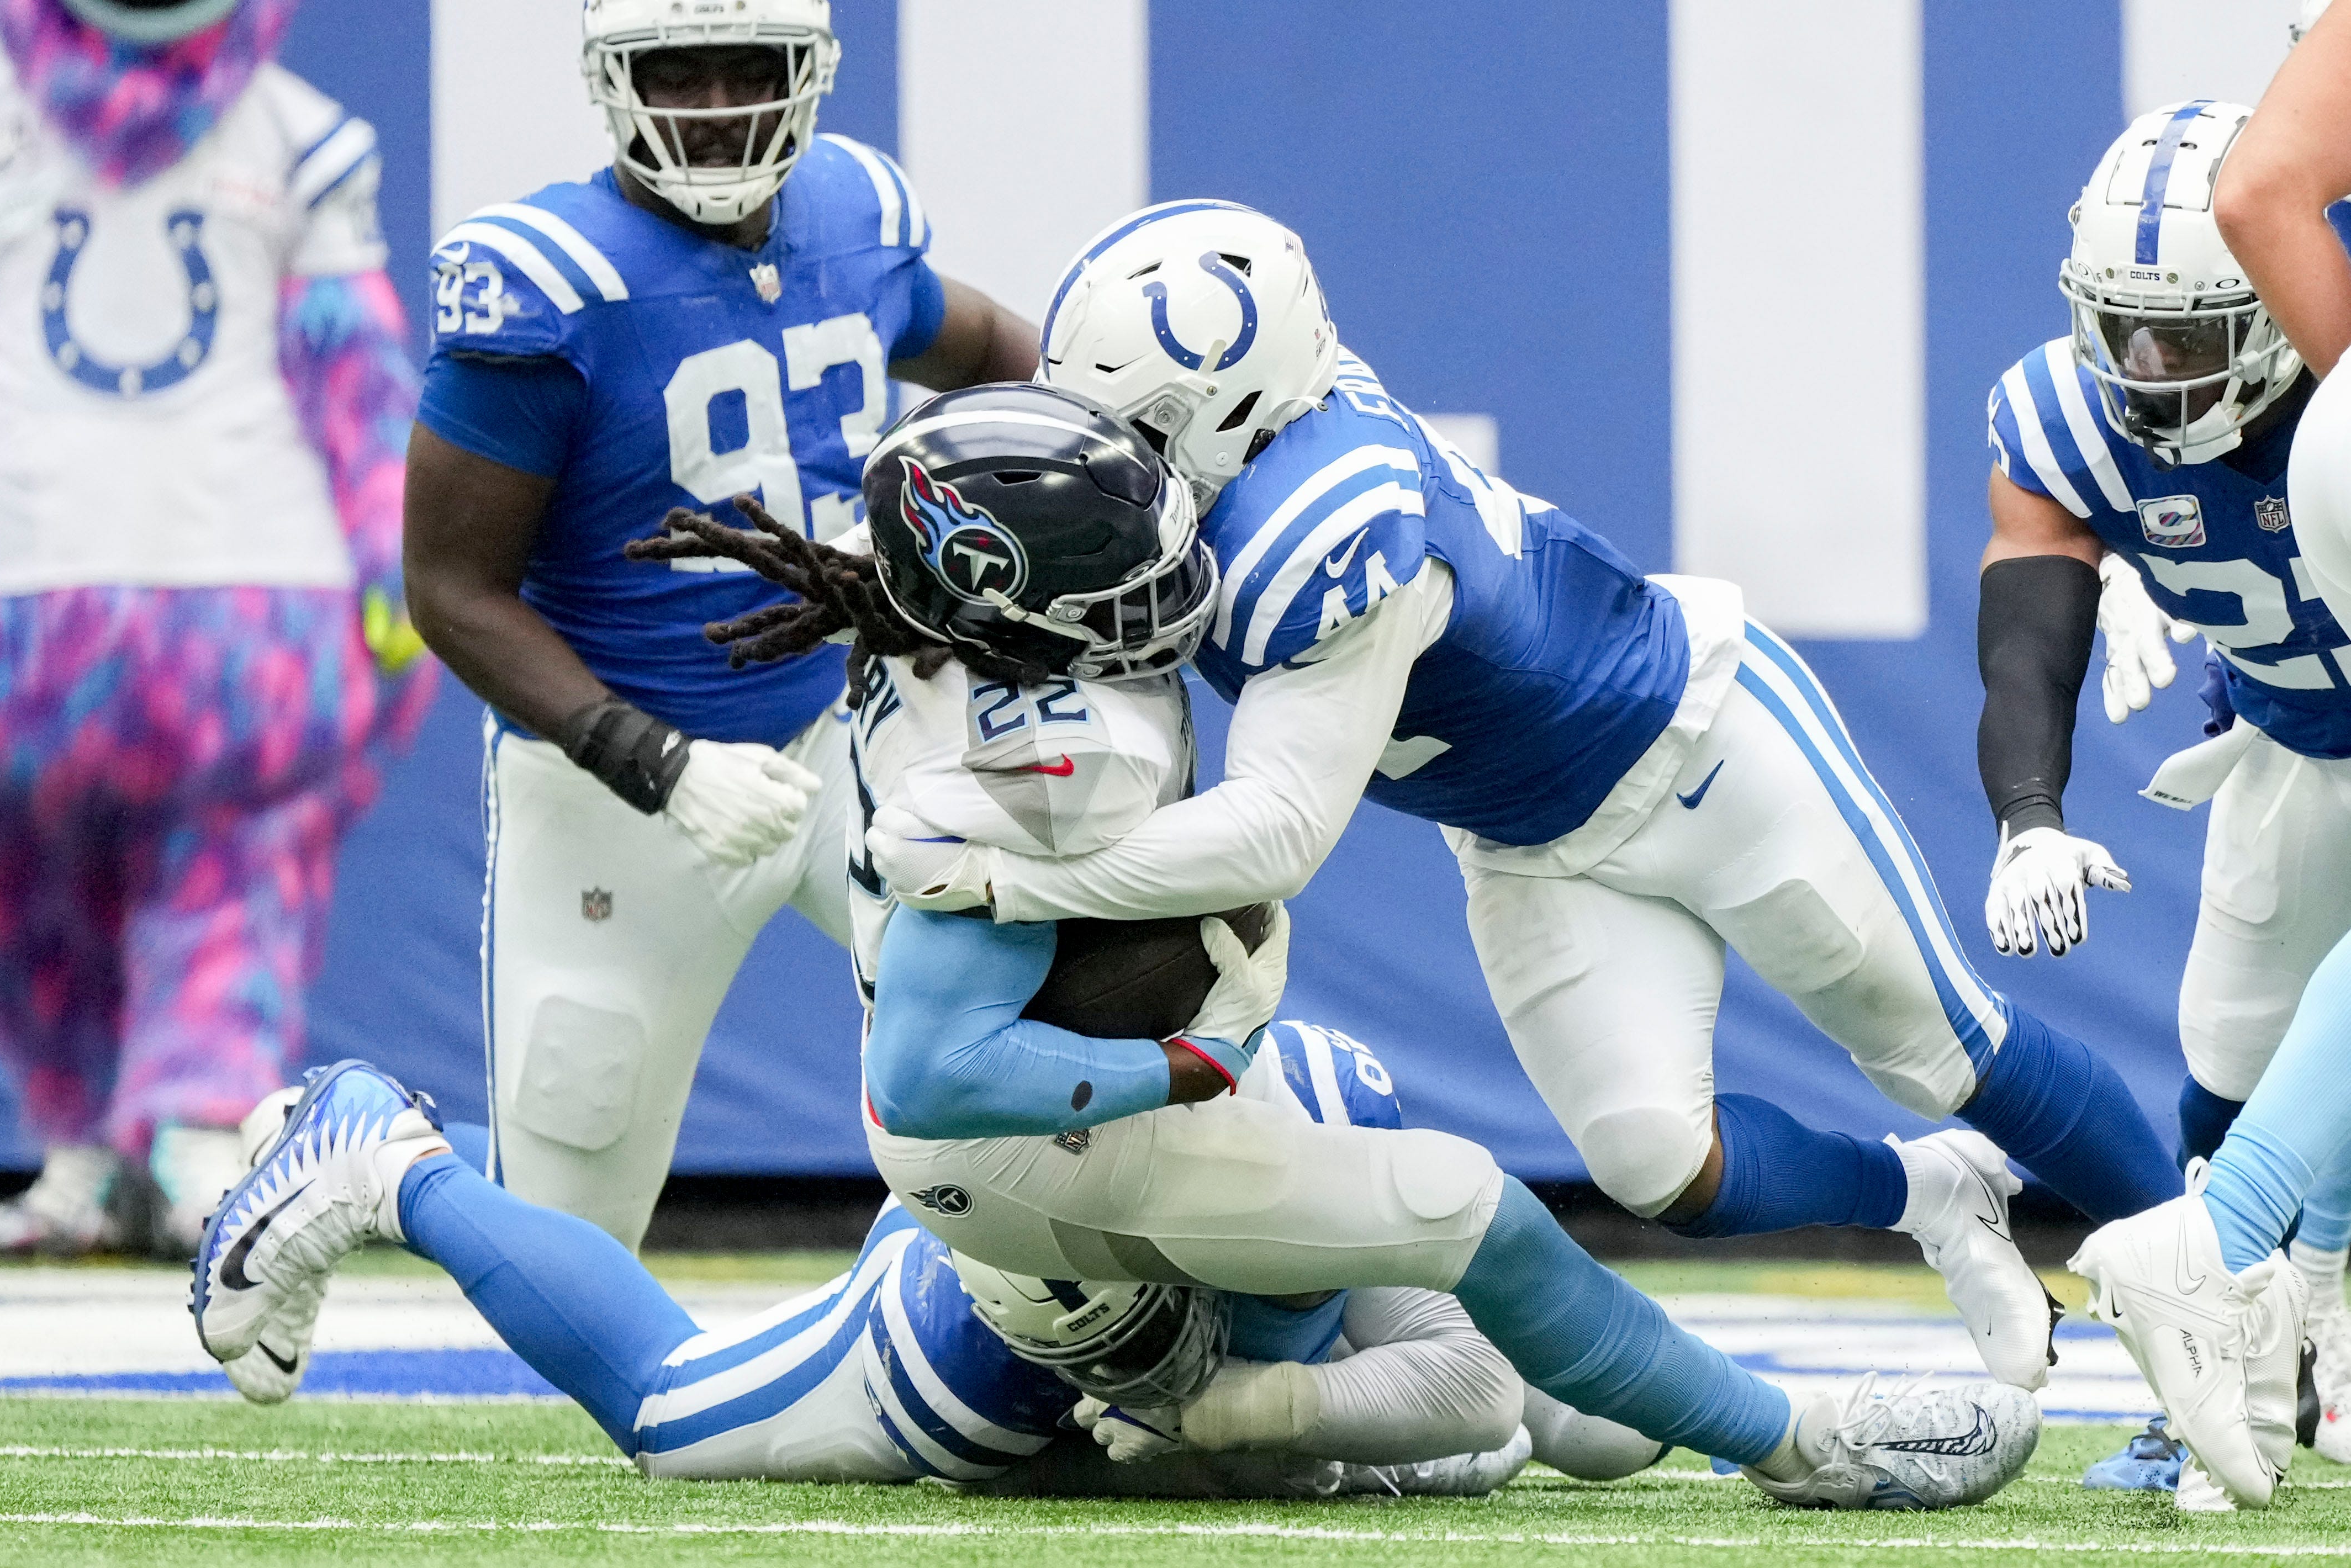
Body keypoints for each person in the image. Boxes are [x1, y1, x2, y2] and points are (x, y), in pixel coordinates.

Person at [607, 380, 2043, 1511]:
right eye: (1108, 578)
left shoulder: (981, 649)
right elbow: (930, 1068)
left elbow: (979, 510)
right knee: (1470, 1274)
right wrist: (1153, 1059)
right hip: (1030, 1197)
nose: (1165, 595)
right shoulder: (1051, 748)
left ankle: (1642, 1421)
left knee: (1546, 1403)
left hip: (1135, 1110)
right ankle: (1792, 1438)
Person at [869, 204, 2181, 1387]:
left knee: (1940, 1045)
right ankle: (1935, 1198)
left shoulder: (1321, 525)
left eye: (1143, 431)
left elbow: (1274, 834)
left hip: (1695, 743)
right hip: (1524, 836)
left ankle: (2205, 1302)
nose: (1118, 459)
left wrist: (1016, 876)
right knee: (1652, 1164)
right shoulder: (1240, 435)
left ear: (1233, 411)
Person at [400, 0, 1037, 1251]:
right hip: (621, 780)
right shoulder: (551, 283)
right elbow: (452, 590)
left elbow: (1005, 354)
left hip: (850, 738)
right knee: (565, 1235)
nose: (711, 105)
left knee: (1001, 1074)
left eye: (744, 68)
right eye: (672, 73)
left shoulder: (854, 216)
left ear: (807, 73)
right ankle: (357, 1150)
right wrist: (652, 757)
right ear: (610, 81)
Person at [193, 1026, 1630, 1500]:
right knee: (674, 1417)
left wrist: (1291, 1410)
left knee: (1584, 1427)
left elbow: (1483, 1383)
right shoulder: (1001, 1323)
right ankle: (391, 1162)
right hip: (977, 1324)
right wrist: (1246, 1419)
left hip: (1111, 1245)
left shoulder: (1307, 1114)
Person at [0, 0, 432, 1262]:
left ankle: (194, 1127)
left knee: (237, 865)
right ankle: (80, 1139)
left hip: (249, 578)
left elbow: (354, 369)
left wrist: (386, 552)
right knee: (26, 891)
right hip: (30, 568)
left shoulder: (304, 142)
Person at [1975, 100, 2351, 1493]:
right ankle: (2229, 1371)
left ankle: (2297, 1276)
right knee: (2229, 1069)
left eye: (2187, 336)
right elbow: (2024, 623)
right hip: (2294, 744)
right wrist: (2027, 814)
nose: (2148, 370)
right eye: (2124, 329)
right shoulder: (2069, 420)